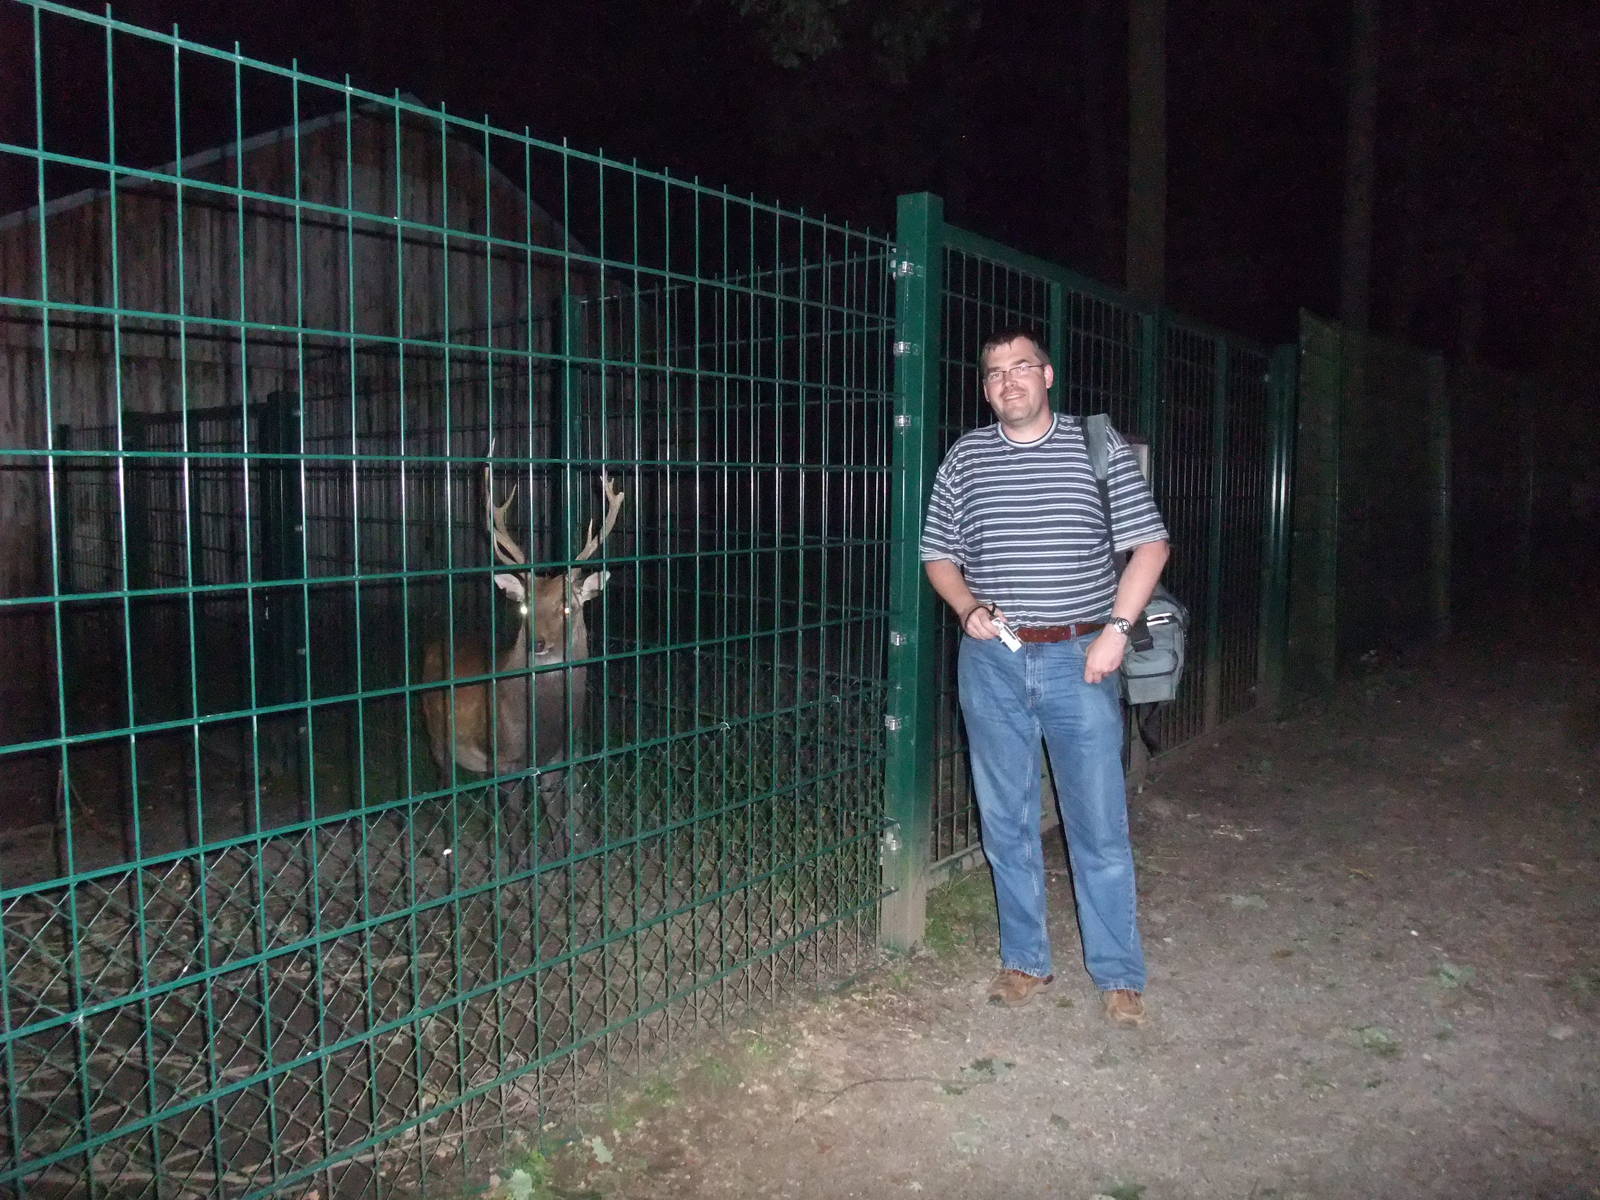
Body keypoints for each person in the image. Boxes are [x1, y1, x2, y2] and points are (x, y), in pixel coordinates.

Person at [920, 327, 1170, 1026]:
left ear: (1048, 375)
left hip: (1080, 657)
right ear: (985, 387)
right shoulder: (966, 458)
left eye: (1021, 367)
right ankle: (1026, 960)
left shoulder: (1094, 445)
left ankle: (1119, 974)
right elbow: (939, 553)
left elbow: (1149, 545)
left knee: (1098, 823)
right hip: (992, 662)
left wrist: (1117, 631)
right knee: (1006, 821)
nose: (1009, 381)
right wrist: (966, 606)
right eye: (995, 372)